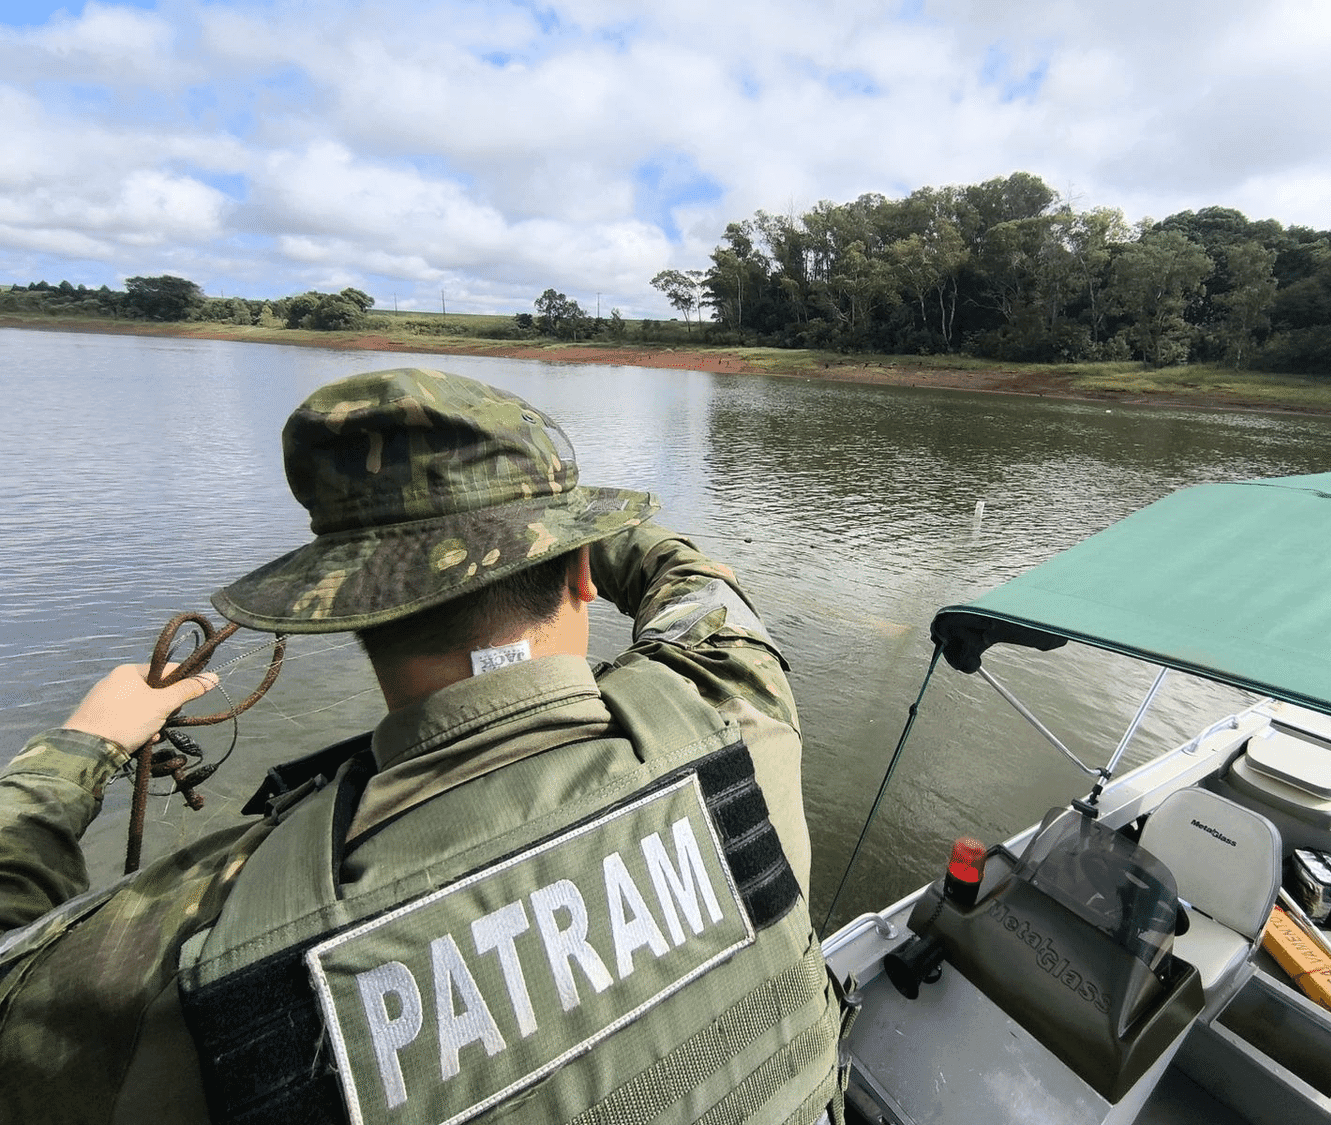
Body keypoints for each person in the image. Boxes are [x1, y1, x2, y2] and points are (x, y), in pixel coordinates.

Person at [0, 368, 845, 1125]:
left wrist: (82, 746)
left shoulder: (191, 942)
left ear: (348, 612)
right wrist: (575, 530)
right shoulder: (733, 709)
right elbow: (699, 591)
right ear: (584, 573)